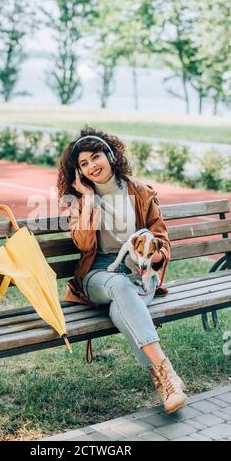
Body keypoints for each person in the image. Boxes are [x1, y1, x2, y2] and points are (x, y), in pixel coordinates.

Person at [57, 127, 187, 414]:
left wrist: (152, 258)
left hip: (138, 272)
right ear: (78, 173)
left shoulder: (140, 192)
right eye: (83, 164)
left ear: (111, 155)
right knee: (119, 287)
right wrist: (89, 202)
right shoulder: (80, 201)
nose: (92, 166)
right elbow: (83, 243)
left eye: (96, 157)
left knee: (121, 306)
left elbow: (162, 240)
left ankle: (165, 381)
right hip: (98, 274)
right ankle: (168, 376)